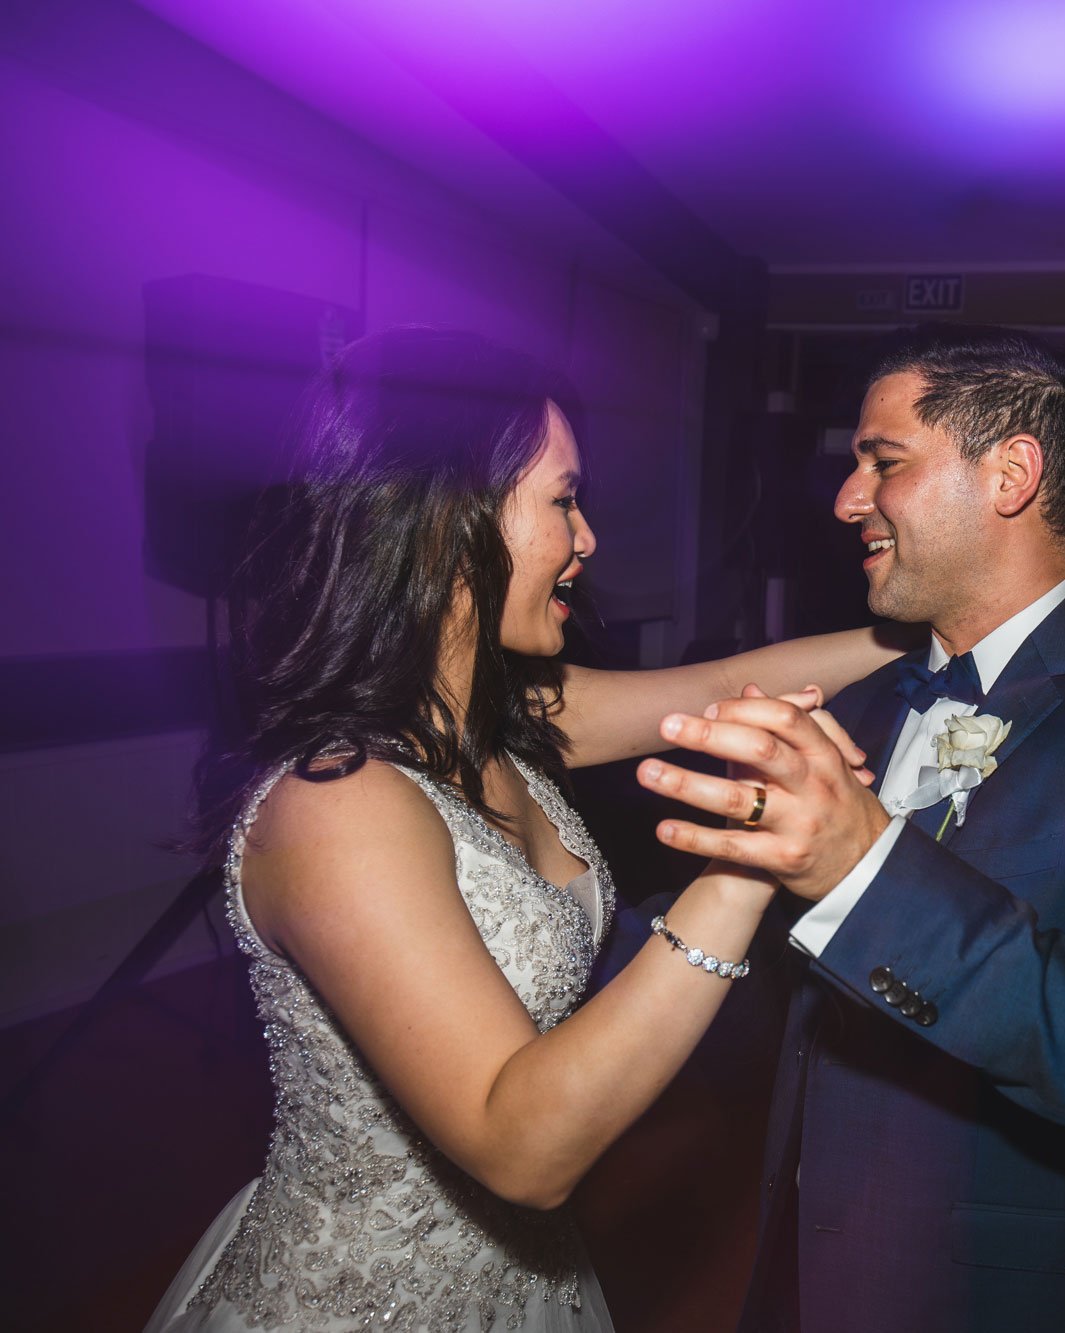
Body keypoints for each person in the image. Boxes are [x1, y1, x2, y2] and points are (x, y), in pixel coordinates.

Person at [144, 328, 903, 1333]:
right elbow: (521, 1145)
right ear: (453, 515)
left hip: (523, 1285)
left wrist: (944, 623)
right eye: (562, 500)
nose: (586, 539)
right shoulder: (337, 802)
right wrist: (742, 862)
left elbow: (726, 686)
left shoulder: (508, 718)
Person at [636, 324, 1065, 1333]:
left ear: (1010, 471)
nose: (848, 499)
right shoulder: (871, 701)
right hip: (809, 1270)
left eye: (881, 462)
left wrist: (868, 869)